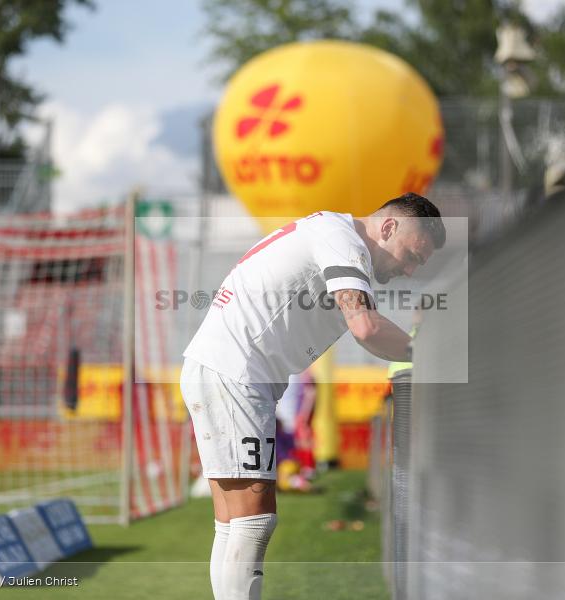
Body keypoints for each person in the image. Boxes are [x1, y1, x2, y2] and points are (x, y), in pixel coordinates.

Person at [180, 192, 445, 600]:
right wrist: (430, 354)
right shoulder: (342, 240)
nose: (409, 270)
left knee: (234, 523)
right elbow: (367, 328)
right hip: (235, 372)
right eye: (412, 255)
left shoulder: (332, 234)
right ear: (389, 227)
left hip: (228, 369)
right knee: (252, 522)